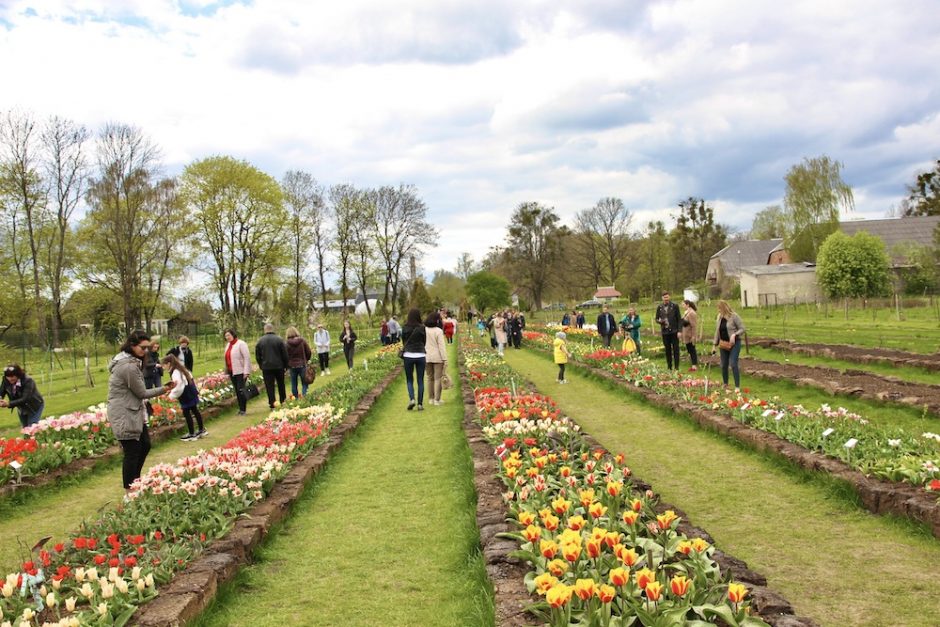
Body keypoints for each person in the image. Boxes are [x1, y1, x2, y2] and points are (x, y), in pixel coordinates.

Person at [108, 331, 176, 489]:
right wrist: (164, 388)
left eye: (147, 348)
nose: (145, 351)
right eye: (142, 348)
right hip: (124, 413)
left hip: (133, 410)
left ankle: (136, 482)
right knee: (132, 451)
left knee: (144, 444)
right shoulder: (128, 367)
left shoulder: (131, 362)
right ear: (132, 345)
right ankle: (130, 489)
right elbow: (142, 392)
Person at [161, 354, 206, 441]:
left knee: (186, 413)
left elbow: (179, 386)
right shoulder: (181, 368)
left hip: (185, 393)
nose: (163, 367)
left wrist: (171, 395)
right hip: (191, 390)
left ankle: (192, 434)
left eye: (164, 365)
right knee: (195, 410)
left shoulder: (175, 372)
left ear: (169, 363)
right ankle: (201, 430)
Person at [714, 300, 746, 389]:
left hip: (734, 343)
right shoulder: (719, 317)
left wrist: (735, 334)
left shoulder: (734, 316)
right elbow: (717, 331)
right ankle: (725, 384)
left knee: (733, 363)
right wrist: (714, 345)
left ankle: (737, 387)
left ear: (724, 307)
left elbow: (742, 328)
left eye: (719, 308)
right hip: (723, 343)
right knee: (724, 364)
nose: (718, 310)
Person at [255, 323, 289, 409]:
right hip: (279, 366)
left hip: (267, 367)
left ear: (265, 330)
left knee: (269, 386)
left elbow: (258, 355)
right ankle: (283, 400)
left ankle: (272, 403)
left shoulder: (260, 341)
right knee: (281, 384)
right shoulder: (279, 340)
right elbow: (284, 354)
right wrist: (286, 365)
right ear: (272, 329)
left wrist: (261, 365)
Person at [401, 308, 427, 411]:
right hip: (420, 354)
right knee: (420, 380)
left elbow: (403, 341)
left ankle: (412, 399)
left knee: (409, 379)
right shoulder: (422, 328)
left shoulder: (405, 327)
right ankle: (420, 404)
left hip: (408, 355)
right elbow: (424, 341)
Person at [223, 328, 252, 416]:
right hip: (232, 371)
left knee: (241, 390)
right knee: (237, 390)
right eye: (226, 336)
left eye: (229, 335)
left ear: (233, 334)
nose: (227, 337)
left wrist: (246, 371)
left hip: (240, 371)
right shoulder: (228, 345)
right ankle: (240, 409)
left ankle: (243, 409)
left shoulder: (241, 344)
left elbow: (247, 358)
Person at [424, 311, 448, 405]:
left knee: (430, 378)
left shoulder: (424, 329)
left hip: (426, 356)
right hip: (437, 357)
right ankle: (437, 400)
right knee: (438, 378)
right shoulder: (438, 331)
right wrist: (445, 358)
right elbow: (441, 346)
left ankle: (431, 398)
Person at [655, 291, 681, 370]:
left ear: (669, 297)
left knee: (676, 349)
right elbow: (656, 318)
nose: (666, 299)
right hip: (665, 332)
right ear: (662, 298)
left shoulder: (675, 306)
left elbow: (679, 319)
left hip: (674, 331)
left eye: (667, 297)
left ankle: (676, 367)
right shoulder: (659, 307)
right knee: (667, 349)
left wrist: (679, 331)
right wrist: (660, 321)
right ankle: (669, 366)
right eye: (664, 297)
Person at [286, 326, 313, 397]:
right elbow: (308, 351)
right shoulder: (302, 341)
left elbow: (285, 355)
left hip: (292, 366)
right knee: (304, 382)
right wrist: (307, 359)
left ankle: (295, 397)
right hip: (302, 364)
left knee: (294, 383)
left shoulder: (286, 344)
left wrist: (287, 364)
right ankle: (304, 395)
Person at [681, 300, 700, 371]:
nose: (682, 306)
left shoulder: (692, 313)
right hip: (686, 334)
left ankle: (694, 365)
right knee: (689, 349)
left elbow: (694, 326)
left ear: (687, 305)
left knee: (692, 349)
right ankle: (693, 363)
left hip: (690, 334)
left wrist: (693, 336)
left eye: (683, 305)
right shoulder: (686, 312)